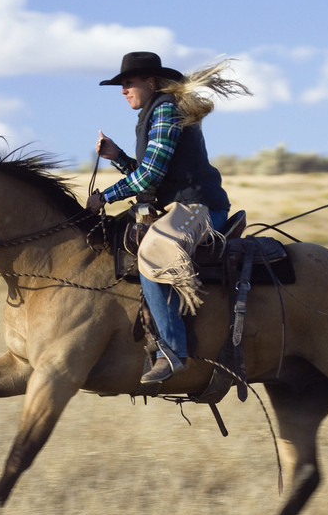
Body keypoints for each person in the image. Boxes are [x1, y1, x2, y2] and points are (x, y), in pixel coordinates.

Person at [88, 51, 250, 383]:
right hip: (180, 206)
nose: (122, 90)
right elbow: (153, 176)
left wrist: (105, 197)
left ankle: (173, 352)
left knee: (153, 254)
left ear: (150, 82)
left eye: (127, 83)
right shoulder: (154, 112)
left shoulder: (165, 111)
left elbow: (149, 177)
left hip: (198, 208)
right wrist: (118, 156)